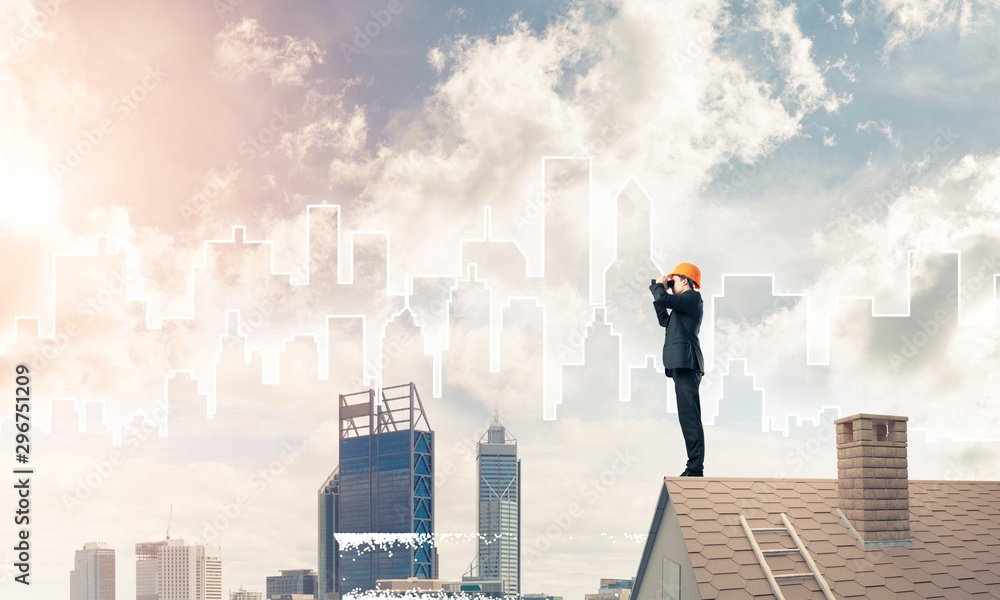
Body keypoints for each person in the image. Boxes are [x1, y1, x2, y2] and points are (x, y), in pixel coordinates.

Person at [650, 263, 705, 477]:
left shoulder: (692, 298)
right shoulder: (682, 307)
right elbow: (664, 320)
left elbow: (663, 299)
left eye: (674, 282)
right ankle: (694, 467)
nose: (671, 286)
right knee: (686, 416)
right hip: (681, 364)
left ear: (685, 280)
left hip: (687, 363)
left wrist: (659, 288)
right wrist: (658, 290)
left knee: (690, 417)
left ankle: (695, 468)